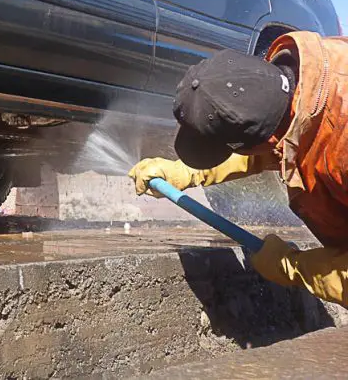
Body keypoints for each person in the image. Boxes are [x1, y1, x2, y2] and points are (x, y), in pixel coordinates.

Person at [129, 31, 348, 307]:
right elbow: (276, 143)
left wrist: (299, 268)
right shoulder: (298, 85)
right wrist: (187, 172)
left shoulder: (341, 143)